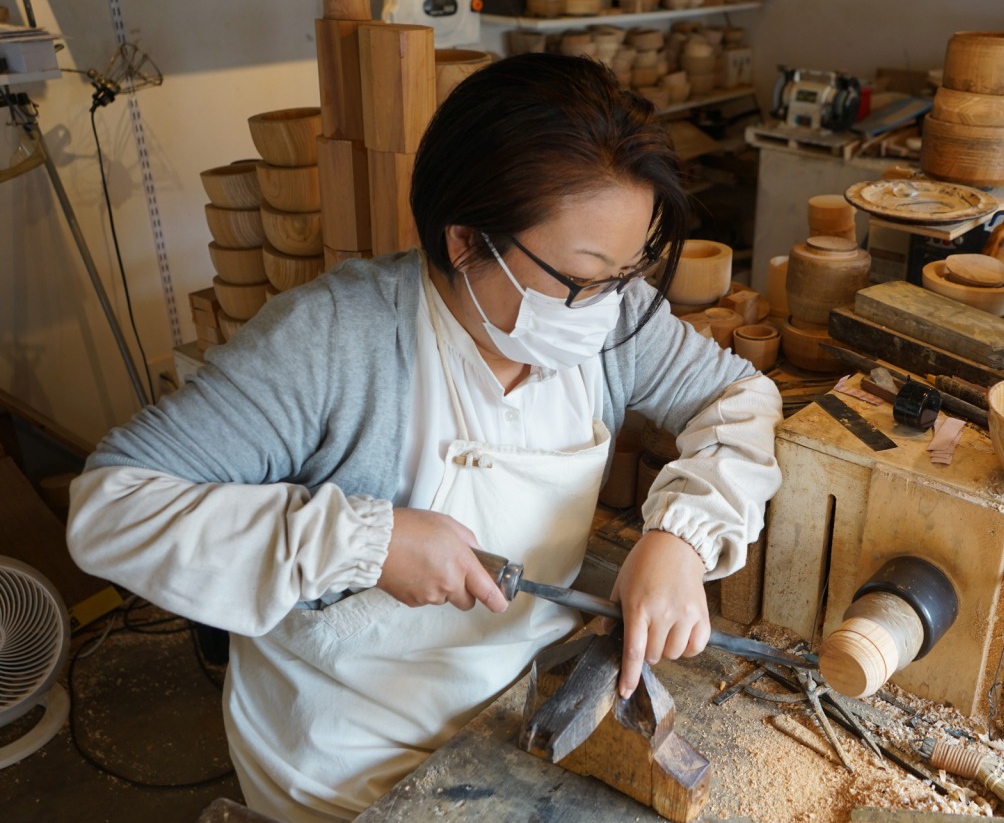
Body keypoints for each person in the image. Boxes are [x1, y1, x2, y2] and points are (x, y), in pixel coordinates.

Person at [67, 53, 782, 822]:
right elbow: (111, 507)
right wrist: (365, 542)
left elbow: (739, 397)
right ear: (467, 239)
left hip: (523, 703)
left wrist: (681, 537)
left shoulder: (612, 315)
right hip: (347, 745)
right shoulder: (333, 342)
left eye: (627, 271)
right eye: (582, 279)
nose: (608, 306)